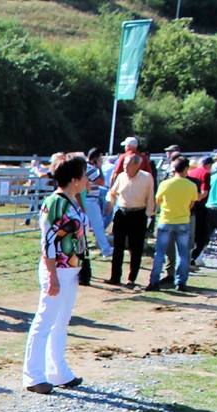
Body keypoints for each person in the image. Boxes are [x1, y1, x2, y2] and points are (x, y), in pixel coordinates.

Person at [22, 154, 89, 395]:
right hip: (57, 269)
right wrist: (51, 274)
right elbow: (48, 240)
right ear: (74, 178)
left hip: (70, 269)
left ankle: (58, 371)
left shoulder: (72, 200)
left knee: (61, 322)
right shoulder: (55, 203)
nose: (86, 179)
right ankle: (33, 375)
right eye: (83, 174)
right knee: (44, 321)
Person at [146, 156, 198, 292]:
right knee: (183, 254)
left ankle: (154, 281)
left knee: (160, 253)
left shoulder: (165, 184)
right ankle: (181, 281)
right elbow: (191, 204)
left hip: (166, 220)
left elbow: (158, 201)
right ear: (186, 169)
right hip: (183, 221)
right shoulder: (192, 186)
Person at [105, 152, 154, 288]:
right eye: (124, 165)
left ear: (137, 165)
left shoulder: (146, 177)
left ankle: (131, 278)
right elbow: (112, 192)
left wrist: (149, 216)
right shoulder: (121, 176)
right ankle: (115, 277)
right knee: (118, 247)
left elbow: (150, 198)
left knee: (136, 247)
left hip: (138, 214)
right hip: (122, 213)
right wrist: (110, 202)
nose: (125, 168)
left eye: (128, 165)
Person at [83, 148, 113, 258]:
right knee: (98, 225)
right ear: (95, 158)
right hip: (89, 200)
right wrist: (100, 168)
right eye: (100, 158)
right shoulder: (89, 168)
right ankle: (106, 250)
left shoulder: (85, 167)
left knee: (87, 224)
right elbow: (101, 182)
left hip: (88, 199)